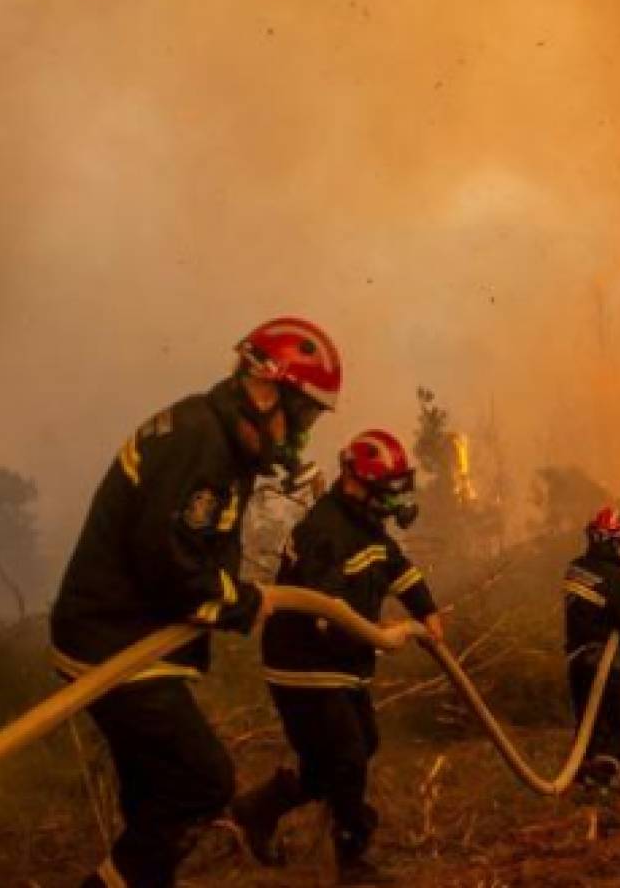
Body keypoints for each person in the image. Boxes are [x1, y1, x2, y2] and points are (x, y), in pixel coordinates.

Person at [50, 316, 341, 888]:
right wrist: (241, 603)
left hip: (119, 636)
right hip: (116, 644)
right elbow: (172, 569)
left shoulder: (212, 436)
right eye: (300, 416)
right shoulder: (201, 444)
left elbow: (185, 553)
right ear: (262, 389)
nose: (297, 438)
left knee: (154, 795)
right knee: (201, 781)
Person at [231, 428, 444, 885]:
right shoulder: (322, 532)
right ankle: (352, 856)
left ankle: (257, 810)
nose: (394, 504)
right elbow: (329, 613)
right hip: (304, 664)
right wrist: (379, 635)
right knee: (346, 755)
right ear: (357, 484)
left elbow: (397, 569)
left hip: (342, 663)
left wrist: (427, 612)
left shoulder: (366, 526)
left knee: (360, 746)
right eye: (387, 493)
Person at [562, 505, 620, 804]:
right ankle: (605, 773)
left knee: (589, 721)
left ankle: (586, 779)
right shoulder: (616, 579)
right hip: (605, 661)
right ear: (617, 540)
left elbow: (598, 604)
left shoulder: (575, 569)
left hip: (576, 661)